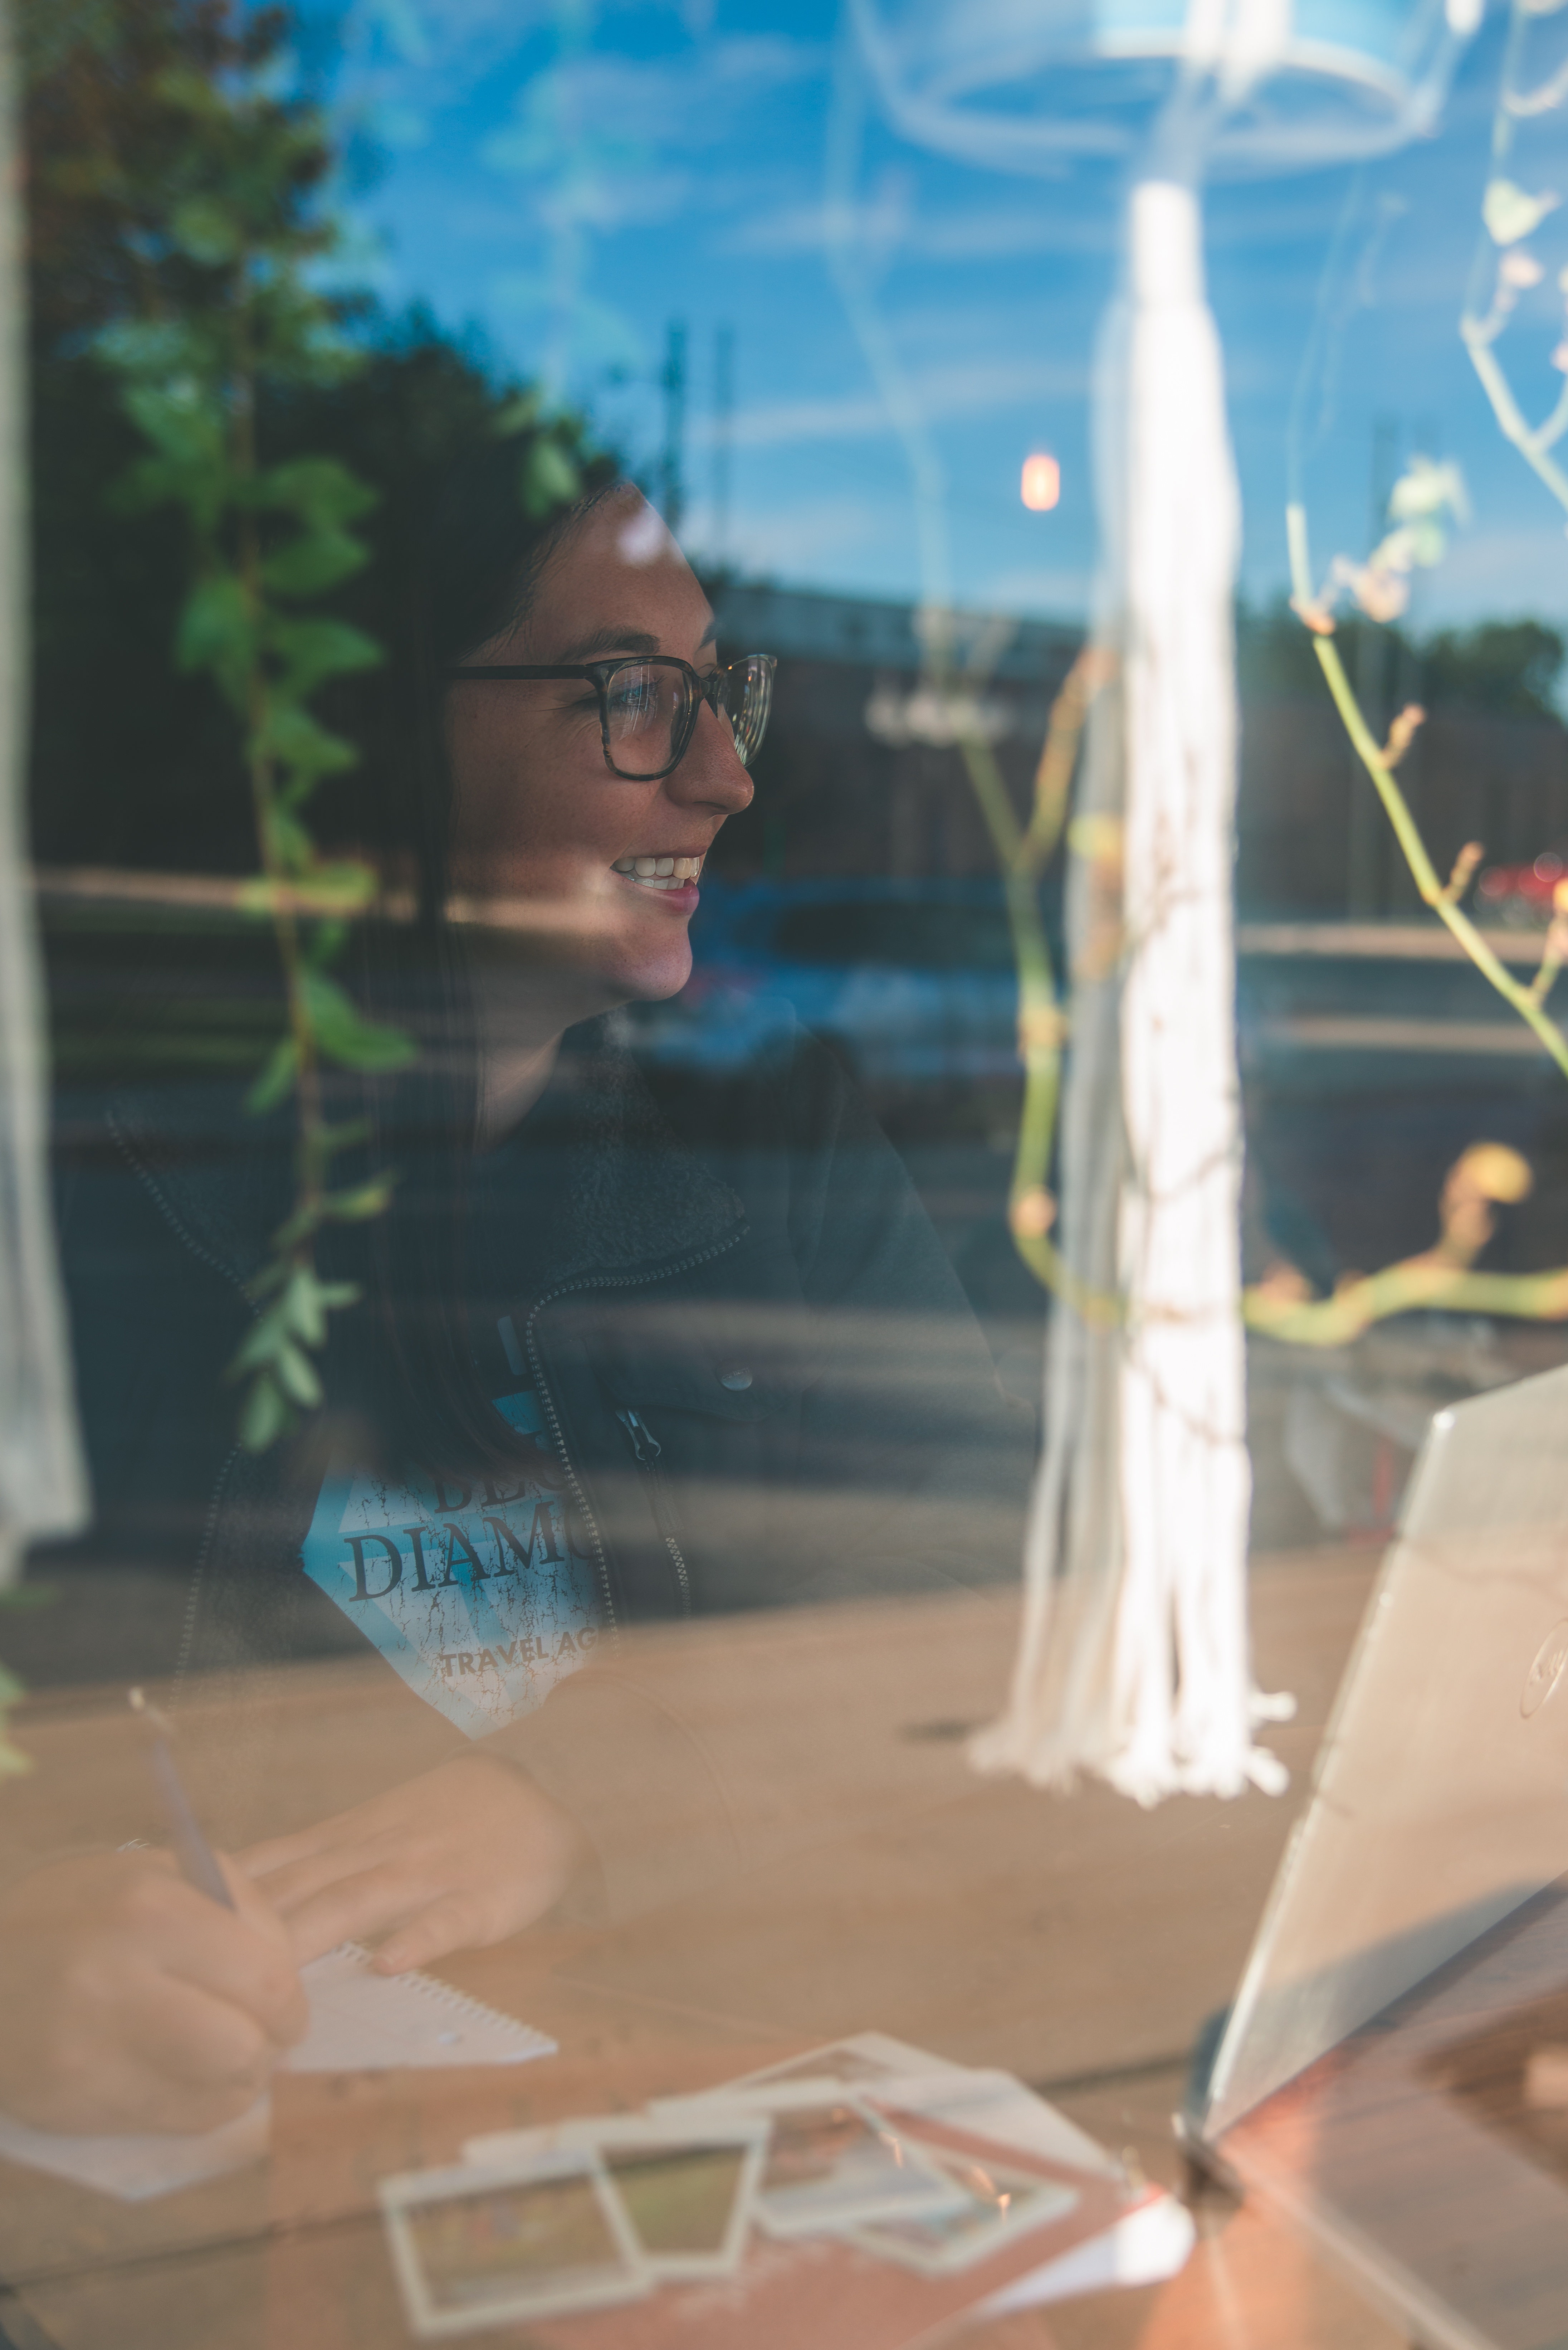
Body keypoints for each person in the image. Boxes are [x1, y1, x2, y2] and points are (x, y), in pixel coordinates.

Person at [0, 443, 1031, 2133]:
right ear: (374, 738)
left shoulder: (768, 1134)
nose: (720, 778)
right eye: (630, 695)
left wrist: (573, 1795)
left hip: (716, 2119)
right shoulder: (77, 1201)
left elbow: (978, 1578)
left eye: (721, 697)